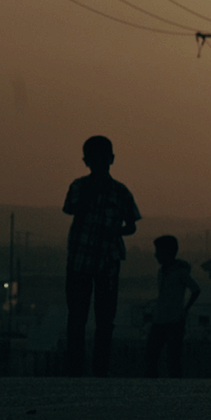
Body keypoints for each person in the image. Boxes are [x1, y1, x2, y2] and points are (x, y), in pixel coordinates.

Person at [62, 135, 140, 377]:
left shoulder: (121, 192)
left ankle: (99, 371)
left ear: (111, 160)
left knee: (105, 321)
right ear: (86, 162)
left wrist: (115, 230)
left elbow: (132, 226)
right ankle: (75, 370)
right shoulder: (78, 186)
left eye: (102, 160)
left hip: (107, 263)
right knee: (77, 319)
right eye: (93, 160)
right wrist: (91, 191)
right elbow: (71, 208)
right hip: (79, 262)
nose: (98, 165)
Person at [145, 235, 200, 378]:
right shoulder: (164, 271)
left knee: (170, 357)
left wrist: (184, 310)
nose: (156, 254)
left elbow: (195, 289)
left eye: (158, 251)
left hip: (173, 320)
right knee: (156, 355)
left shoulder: (179, 272)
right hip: (162, 318)